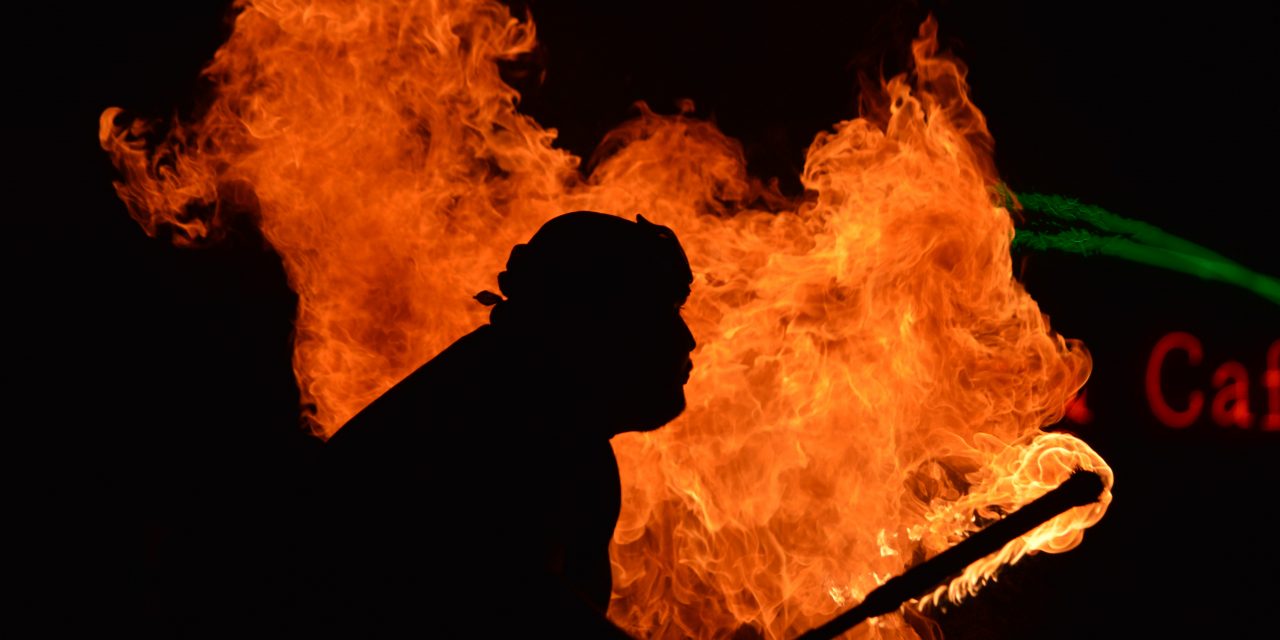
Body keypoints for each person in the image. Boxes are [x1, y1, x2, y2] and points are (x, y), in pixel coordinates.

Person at [317, 211, 697, 637]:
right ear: (588, 320)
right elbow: (517, 603)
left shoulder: (558, 430)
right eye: (662, 312)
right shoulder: (489, 423)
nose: (687, 340)